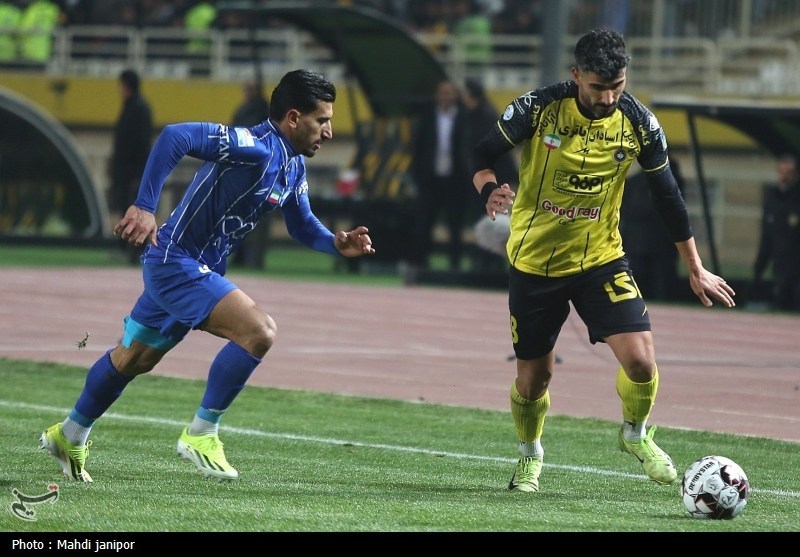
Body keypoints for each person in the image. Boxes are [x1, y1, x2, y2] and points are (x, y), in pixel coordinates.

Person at [39, 69, 376, 483]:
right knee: (259, 331)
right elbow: (175, 136)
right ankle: (202, 433)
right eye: (322, 120)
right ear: (293, 118)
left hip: (191, 269)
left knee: (133, 359)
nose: (328, 131)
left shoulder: (292, 167)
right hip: (176, 262)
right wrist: (145, 206)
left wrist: (335, 244)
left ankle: (69, 434)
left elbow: (302, 224)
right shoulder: (255, 146)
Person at [471, 29, 736, 493]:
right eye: (598, 87)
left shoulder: (639, 123)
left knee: (641, 362)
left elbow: (668, 196)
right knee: (534, 380)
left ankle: (635, 433)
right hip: (535, 262)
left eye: (617, 85)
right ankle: (530, 455)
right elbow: (481, 153)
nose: (609, 97)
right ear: (576, 75)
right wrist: (489, 188)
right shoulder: (539, 108)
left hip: (601, 259)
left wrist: (696, 267)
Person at [410, 77, 471, 271]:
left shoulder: (463, 118)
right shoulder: (427, 117)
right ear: (437, 96)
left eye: (449, 93)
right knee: (424, 222)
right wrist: (418, 175)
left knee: (455, 224)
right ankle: (421, 264)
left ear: (455, 96)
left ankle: (454, 266)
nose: (445, 97)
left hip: (455, 179)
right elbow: (417, 148)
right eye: (442, 93)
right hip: (430, 179)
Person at [620, 156, 686, 302]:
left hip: (653, 242)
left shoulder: (669, 180)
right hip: (647, 242)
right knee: (647, 280)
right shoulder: (636, 182)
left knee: (658, 281)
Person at [109, 69, 153, 264]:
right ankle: (128, 248)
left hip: (133, 170)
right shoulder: (134, 107)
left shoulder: (138, 109)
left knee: (135, 209)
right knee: (126, 208)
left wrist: (137, 171)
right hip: (128, 170)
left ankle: (137, 249)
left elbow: (139, 143)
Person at [230, 76, 272, 269]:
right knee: (237, 216)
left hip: (260, 174)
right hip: (241, 171)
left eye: (252, 88)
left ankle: (254, 258)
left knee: (258, 218)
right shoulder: (242, 111)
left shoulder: (265, 112)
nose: (249, 92)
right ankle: (238, 254)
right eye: (247, 88)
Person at [752, 153, 800, 312]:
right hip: (780, 266)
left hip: (797, 267)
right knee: (780, 307)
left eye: (789, 173)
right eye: (781, 172)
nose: (784, 177)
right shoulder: (772, 199)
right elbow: (767, 236)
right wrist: (760, 265)